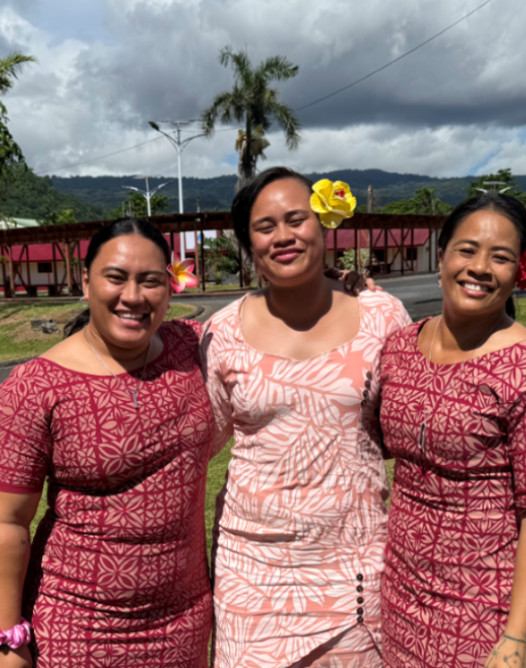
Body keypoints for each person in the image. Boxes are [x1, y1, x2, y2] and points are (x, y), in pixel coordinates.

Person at [0, 218, 216, 668]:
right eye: (116, 278)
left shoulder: (191, 348)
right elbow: (6, 524)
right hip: (77, 628)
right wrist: (7, 643)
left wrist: (339, 285)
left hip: (184, 622)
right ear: (86, 283)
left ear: (169, 286)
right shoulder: (33, 388)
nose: (133, 297)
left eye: (150, 281)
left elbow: (269, 325)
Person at [203, 167, 412, 667]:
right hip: (252, 571)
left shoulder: (383, 317)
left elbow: (398, 432)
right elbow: (203, 439)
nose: (283, 236)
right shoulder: (221, 332)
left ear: (323, 225)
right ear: (248, 243)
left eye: (296, 219)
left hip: (355, 567)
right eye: (265, 226)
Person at [375, 193, 526, 668]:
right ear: (442, 255)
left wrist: (517, 639)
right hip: (401, 590)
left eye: (501, 256)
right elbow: (384, 443)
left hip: (483, 606)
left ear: (520, 270)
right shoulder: (401, 346)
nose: (480, 268)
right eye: (467, 250)